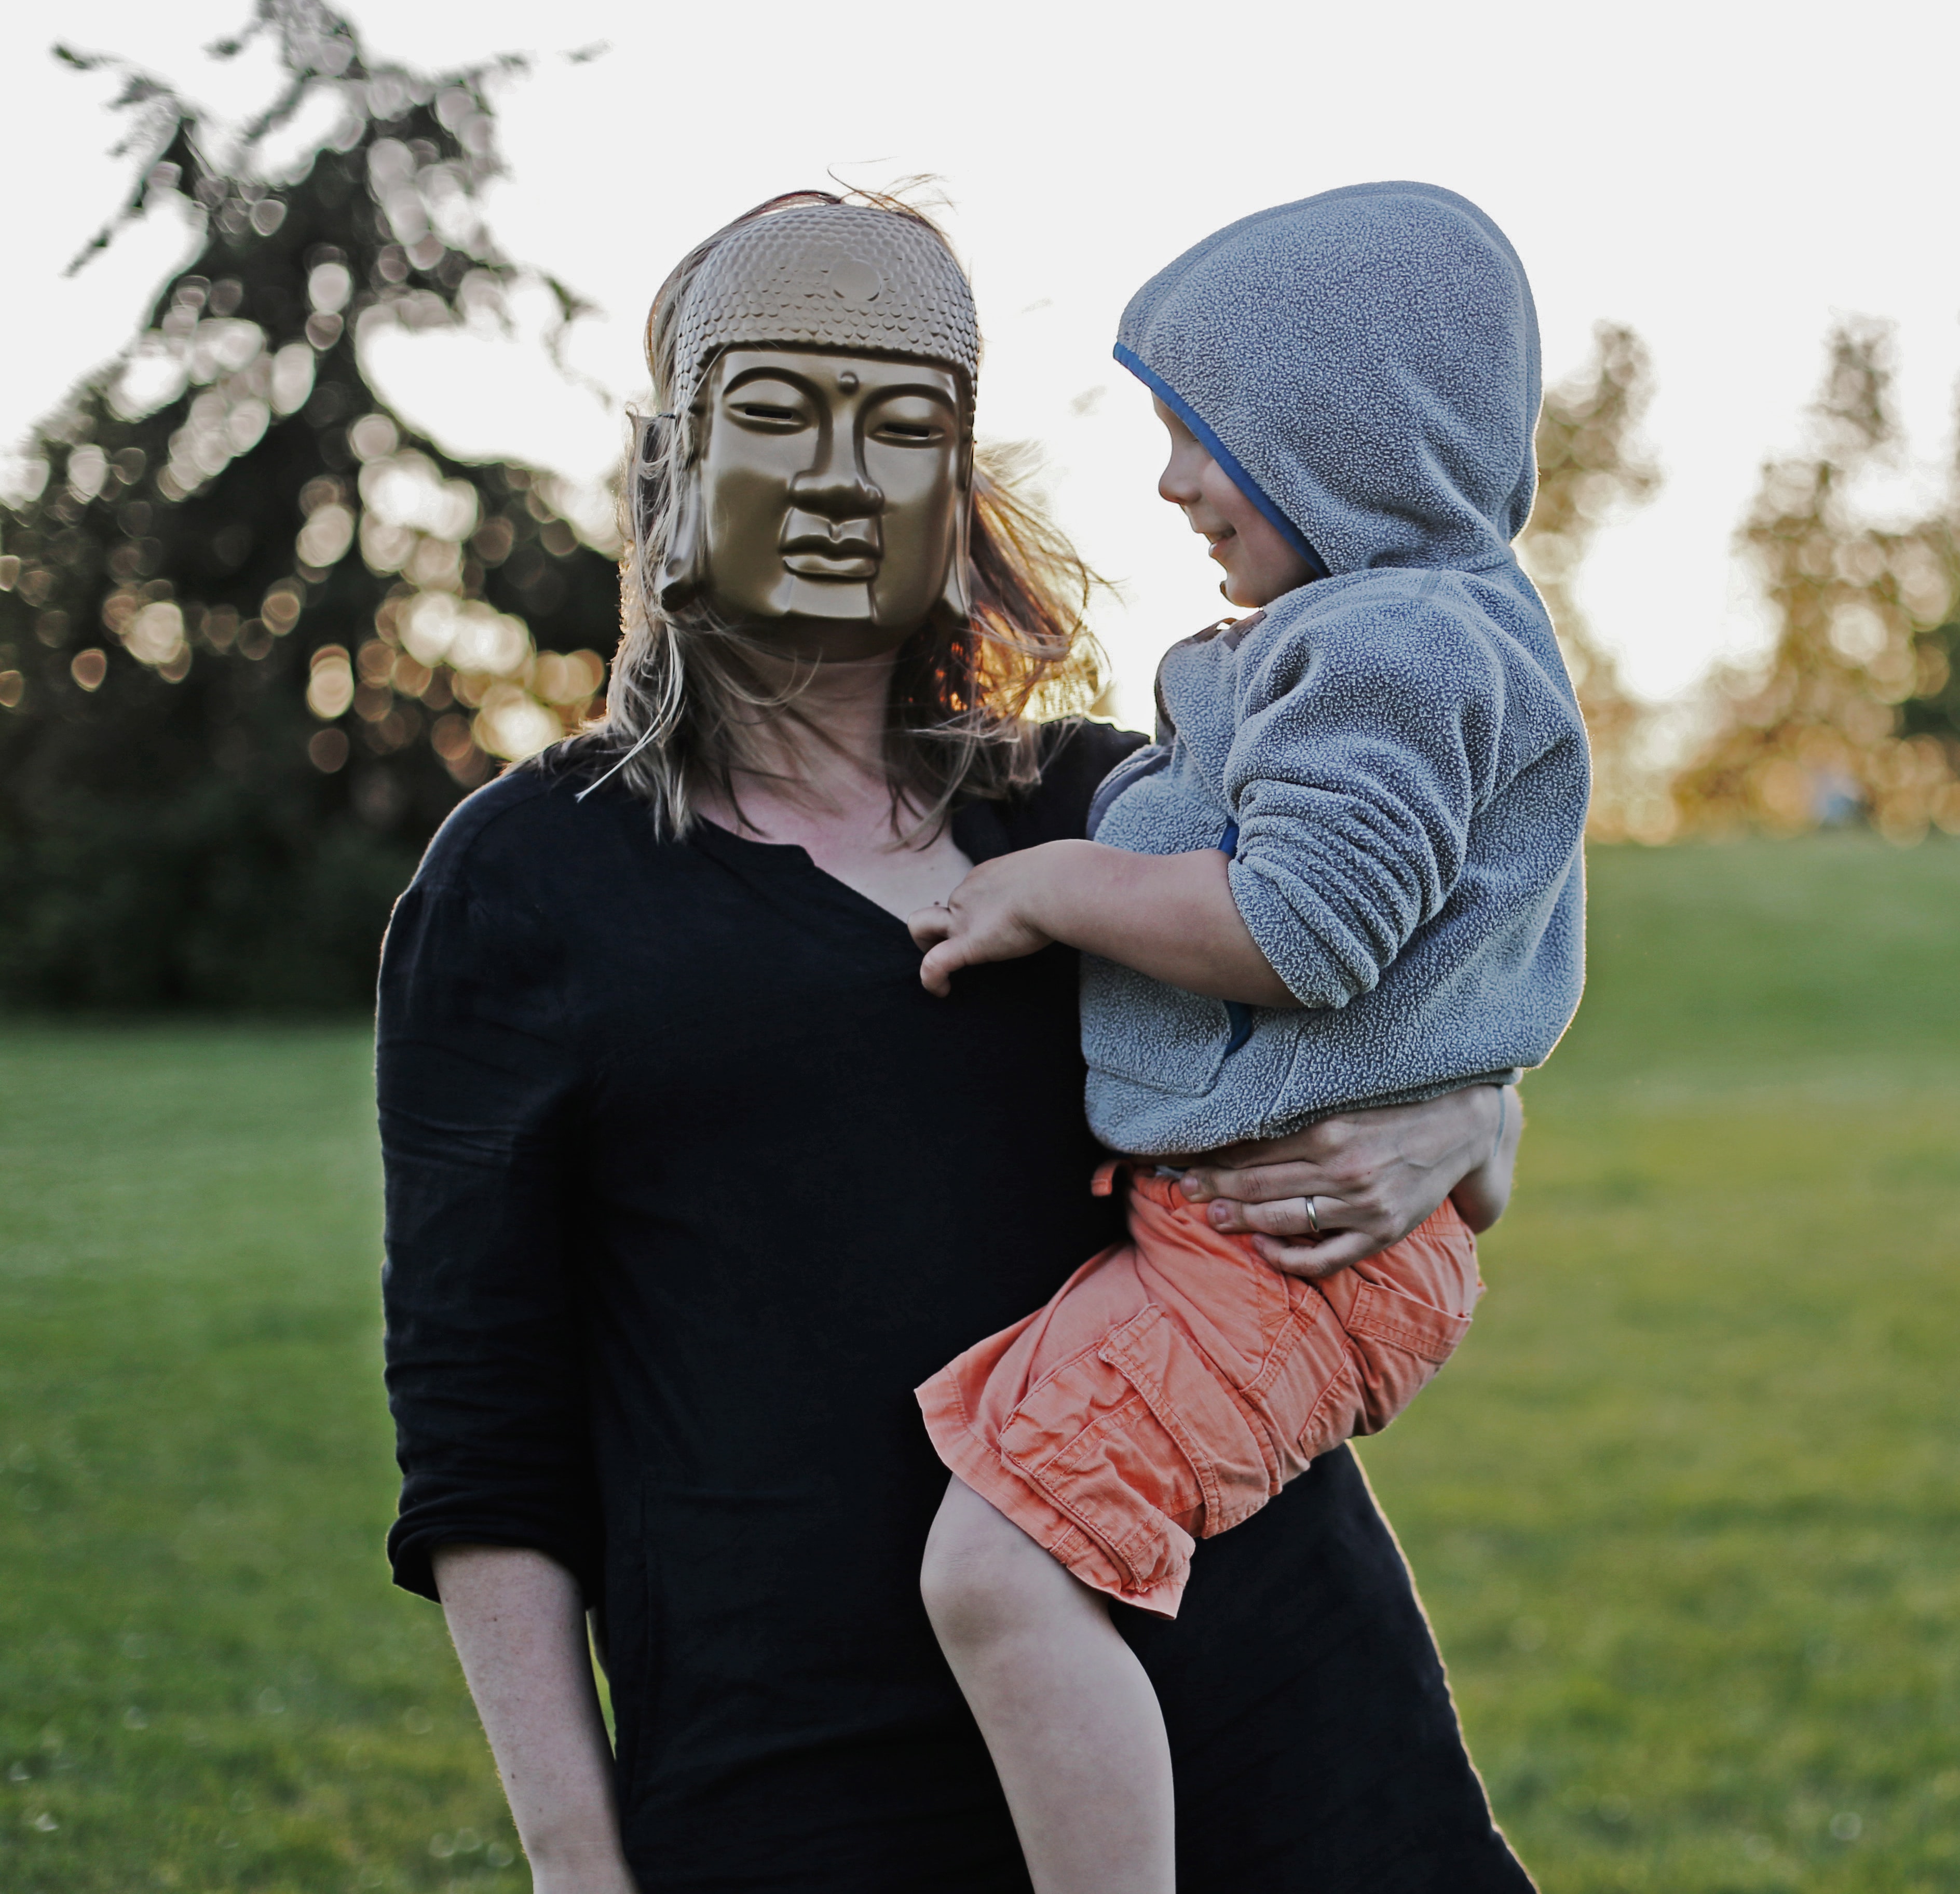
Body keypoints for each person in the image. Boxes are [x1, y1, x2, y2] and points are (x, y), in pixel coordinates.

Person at [378, 192, 1536, 1894]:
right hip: (811, 1786)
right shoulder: (529, 879)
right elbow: (485, 1435)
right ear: (674, 455)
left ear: (962, 485)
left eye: (906, 428)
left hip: (1288, 1740)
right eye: (780, 413)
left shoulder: (1111, 806)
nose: (844, 478)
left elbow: (1410, 982)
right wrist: (576, 1863)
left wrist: (1478, 1121)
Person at [908, 181, 1586, 1894]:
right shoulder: (1390, 637)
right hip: (1266, 1242)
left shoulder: (1400, 646)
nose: (1171, 483)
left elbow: (1303, 926)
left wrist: (1058, 884)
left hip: (1280, 1254)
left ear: (1346, 441)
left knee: (1000, 1573)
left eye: (1202, 435)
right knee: (1011, 1531)